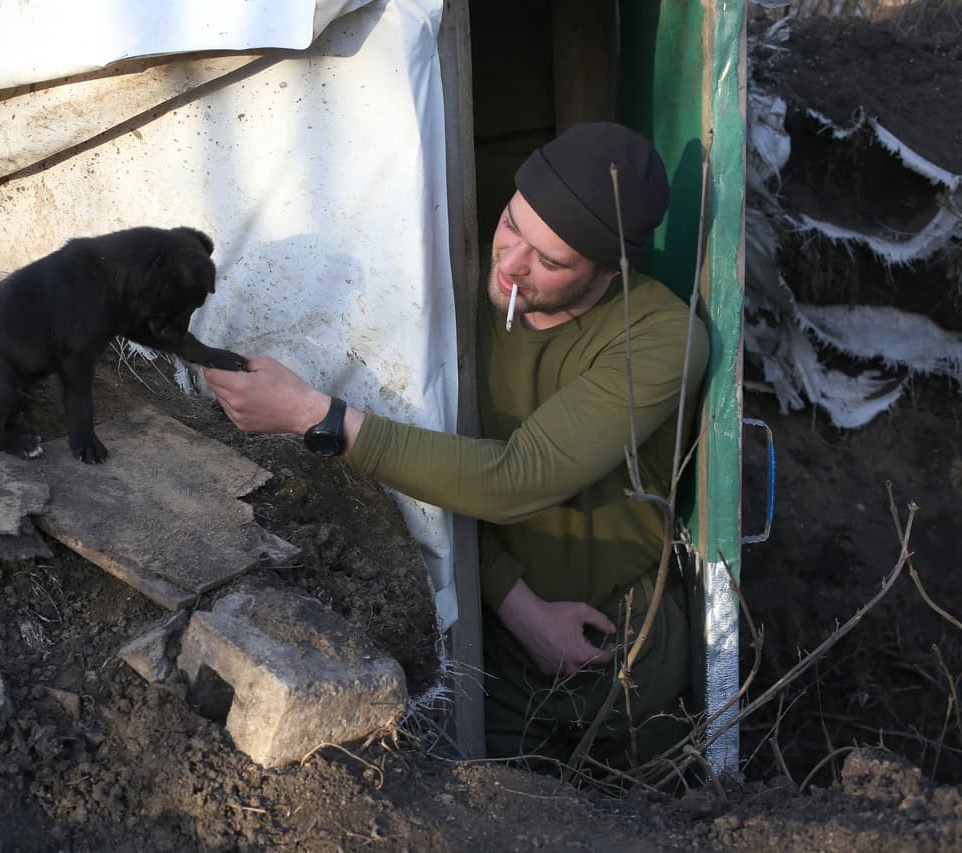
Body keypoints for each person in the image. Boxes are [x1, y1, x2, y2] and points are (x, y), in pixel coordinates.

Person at [204, 122, 710, 771]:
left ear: (609, 270)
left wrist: (314, 414)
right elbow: (439, 459)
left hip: (627, 668)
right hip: (491, 663)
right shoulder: (457, 283)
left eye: (549, 261)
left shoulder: (663, 338)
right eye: (512, 224)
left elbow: (514, 477)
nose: (511, 262)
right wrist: (515, 603)